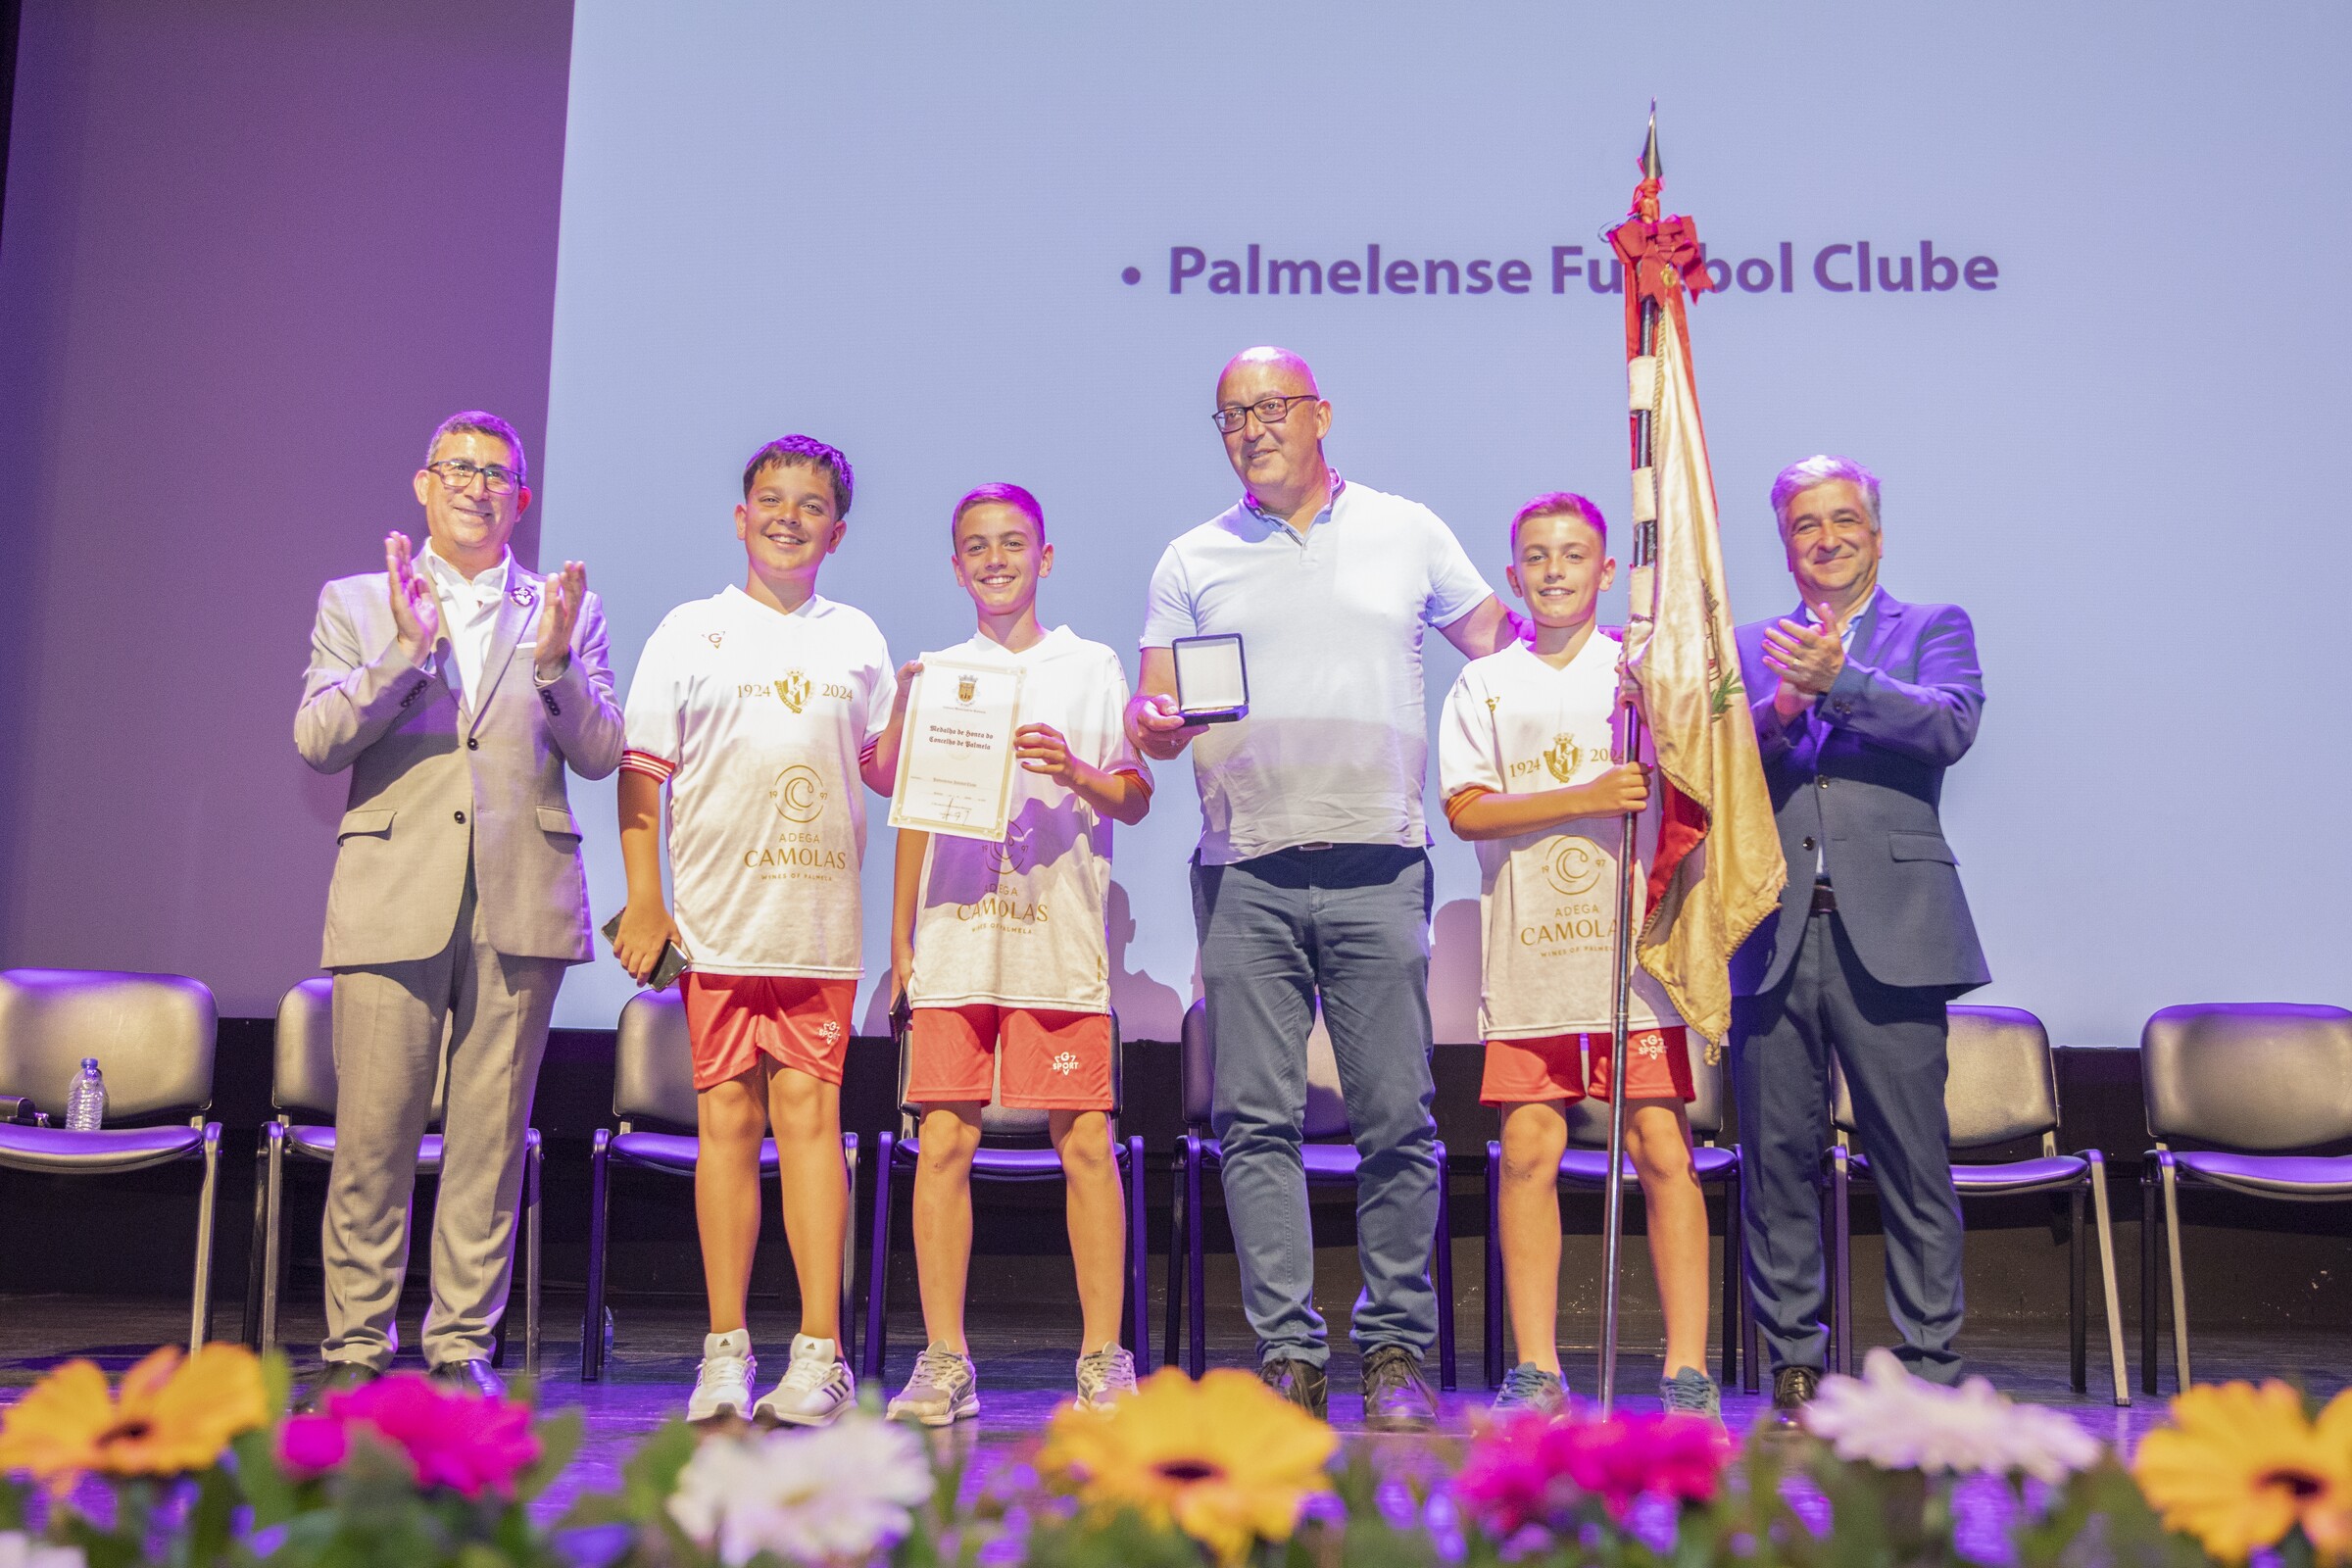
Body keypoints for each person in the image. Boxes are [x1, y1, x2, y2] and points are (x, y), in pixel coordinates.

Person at [1126, 346, 1523, 1429]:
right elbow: (1151, 713)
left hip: (1380, 863)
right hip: (1244, 869)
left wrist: (1599, 655)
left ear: (1321, 415)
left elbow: (1501, 647)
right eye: (1232, 415)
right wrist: (1150, 725)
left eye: (1273, 407)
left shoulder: (1409, 529)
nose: (1253, 427)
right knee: (1257, 1123)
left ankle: (1396, 1350)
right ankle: (1289, 1354)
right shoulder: (1191, 557)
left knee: (1399, 1118)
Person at [294, 411, 622, 1405]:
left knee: (489, 1139)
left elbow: (604, 751)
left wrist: (560, 664)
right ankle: (356, 1339)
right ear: (423, 485)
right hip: (395, 893)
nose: (478, 486)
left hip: (519, 896)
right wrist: (402, 652)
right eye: (459, 469)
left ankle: (460, 1343)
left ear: (521, 498)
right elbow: (317, 739)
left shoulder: (567, 607)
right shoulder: (358, 601)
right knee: (374, 1135)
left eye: (498, 474)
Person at [612, 435, 910, 1427]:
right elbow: (641, 772)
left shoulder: (858, 639)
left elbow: (879, 768)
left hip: (817, 927)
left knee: (810, 1125)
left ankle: (817, 1353)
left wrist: (931, 724)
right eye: (771, 500)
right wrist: (645, 900)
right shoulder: (688, 632)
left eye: (812, 504)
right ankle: (726, 1350)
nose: (789, 515)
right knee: (727, 1127)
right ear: (741, 517)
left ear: (836, 528)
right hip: (716, 927)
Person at [1438, 494, 1721, 1422]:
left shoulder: (1637, 678)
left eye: (1574, 555)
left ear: (1608, 573)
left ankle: (1686, 1372)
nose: (1555, 570)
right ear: (1513, 576)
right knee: (1528, 1148)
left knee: (1660, 1145)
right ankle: (1537, 1369)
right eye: (1536, 557)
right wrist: (1584, 794)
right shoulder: (1485, 685)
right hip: (1531, 961)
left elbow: (1694, 784)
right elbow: (1470, 809)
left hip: (1629, 955)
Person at [884, 483, 1153, 1425]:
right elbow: (909, 810)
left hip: (1059, 942)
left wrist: (1074, 771)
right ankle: (945, 1360)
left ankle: (1101, 1360)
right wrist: (899, 941)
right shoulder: (938, 673)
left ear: (1045, 556)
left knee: (1085, 1141)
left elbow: (1133, 795)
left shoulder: (1091, 666)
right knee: (943, 1141)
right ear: (955, 565)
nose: (994, 559)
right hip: (957, 942)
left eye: (1012, 543)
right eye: (975, 547)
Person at [1729, 455, 1988, 1418]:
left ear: (1876, 534)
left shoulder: (1933, 630)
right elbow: (1713, 764)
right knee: (1778, 1161)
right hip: (1773, 935)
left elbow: (1948, 726)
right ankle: (1796, 1361)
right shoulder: (1748, 644)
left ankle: (1926, 1363)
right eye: (1806, 524)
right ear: (1788, 545)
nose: (1826, 538)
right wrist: (1783, 705)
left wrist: (1841, 681)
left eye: (1844, 520)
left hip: (1898, 934)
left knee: (1913, 1162)